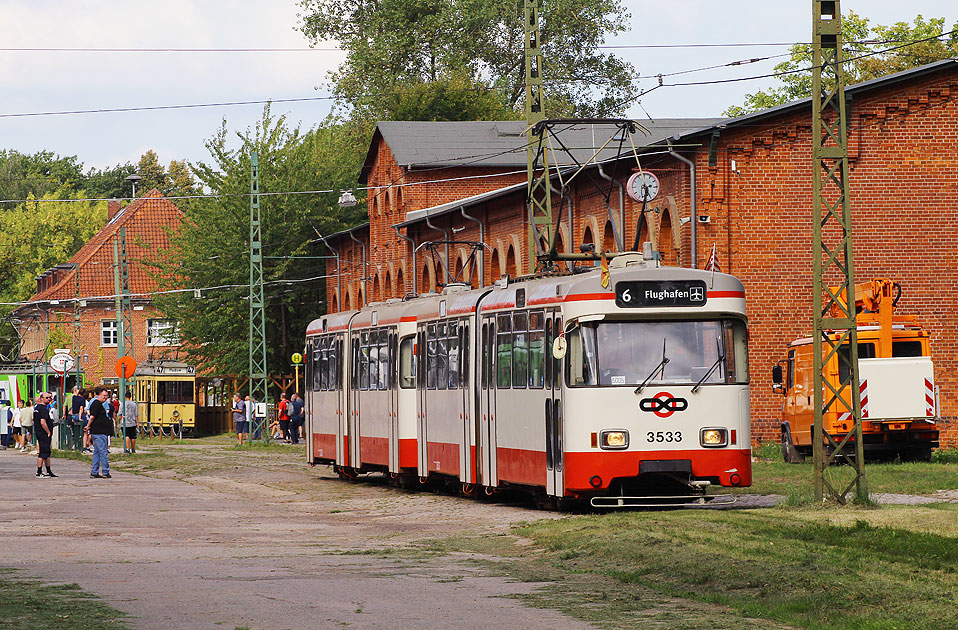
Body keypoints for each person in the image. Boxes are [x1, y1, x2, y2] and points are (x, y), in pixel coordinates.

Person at [88, 387, 112, 479]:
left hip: (99, 431)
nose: (105, 398)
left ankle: (94, 471)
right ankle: (105, 471)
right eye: (104, 396)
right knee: (103, 451)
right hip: (99, 431)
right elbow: (92, 416)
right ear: (99, 395)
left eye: (106, 396)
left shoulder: (99, 404)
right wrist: (88, 426)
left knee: (97, 452)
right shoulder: (97, 404)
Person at [33, 392, 57, 478]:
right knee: (43, 453)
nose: (49, 399)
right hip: (43, 433)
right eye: (47, 398)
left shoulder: (37, 408)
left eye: (50, 398)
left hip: (39, 432)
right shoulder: (42, 409)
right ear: (41, 398)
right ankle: (39, 472)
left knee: (47, 452)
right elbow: (42, 422)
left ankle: (48, 471)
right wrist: (48, 432)